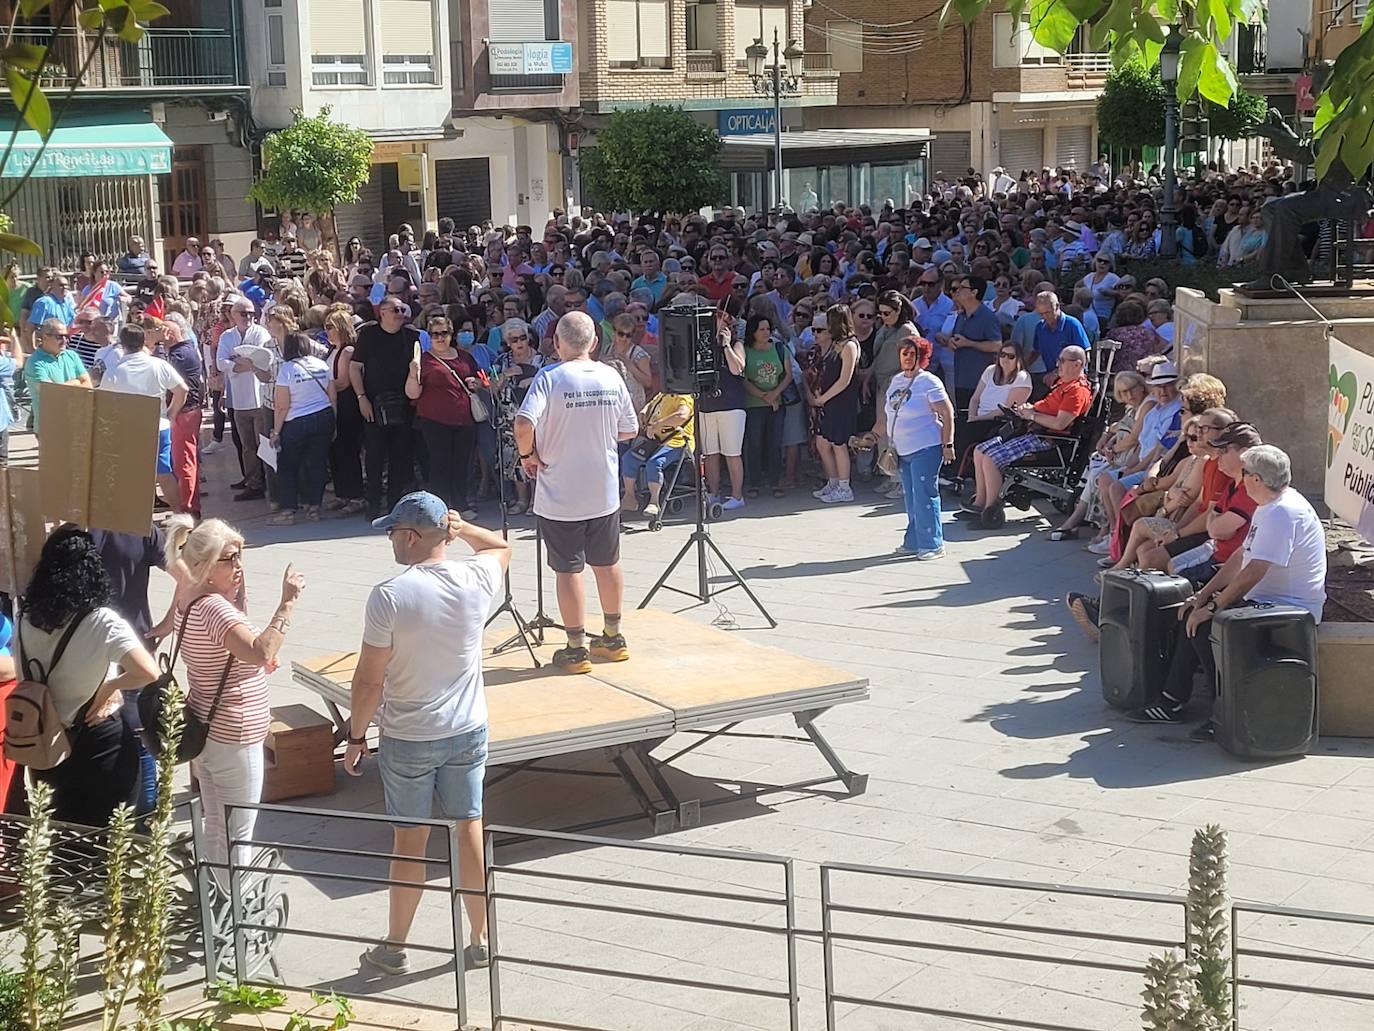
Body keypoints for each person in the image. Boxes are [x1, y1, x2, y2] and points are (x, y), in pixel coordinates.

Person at [345, 494, 510, 975]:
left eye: (393, 531)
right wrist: (464, 529)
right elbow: (501, 547)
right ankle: (481, 940)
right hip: (467, 728)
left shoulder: (390, 595)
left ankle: (395, 946)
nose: (390, 538)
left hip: (410, 735)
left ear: (412, 537)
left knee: (409, 842)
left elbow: (369, 679)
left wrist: (356, 737)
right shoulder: (475, 579)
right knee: (469, 828)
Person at [1129, 444, 1325, 737]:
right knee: (1191, 614)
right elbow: (1240, 557)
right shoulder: (1269, 504)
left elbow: (1254, 571)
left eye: (1244, 473)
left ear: (1256, 479)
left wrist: (1214, 606)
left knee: (1207, 626)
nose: (1240, 478)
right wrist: (1203, 595)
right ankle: (1172, 702)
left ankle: (1226, 711)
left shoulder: (1282, 513)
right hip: (1266, 599)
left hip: (1290, 609)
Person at [515, 310, 638, 673]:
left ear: (556, 343)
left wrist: (528, 455)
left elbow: (523, 422)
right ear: (595, 343)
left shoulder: (549, 377)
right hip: (602, 487)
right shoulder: (610, 374)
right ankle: (613, 636)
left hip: (560, 491)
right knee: (607, 562)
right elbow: (629, 429)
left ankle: (575, 647)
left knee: (568, 569)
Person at [16, 526, 158, 827]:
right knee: (109, 843)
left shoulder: (24, 618)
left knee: (62, 843)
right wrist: (111, 686)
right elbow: (148, 671)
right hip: (99, 742)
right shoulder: (102, 621)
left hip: (46, 745)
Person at [964, 345, 1093, 522]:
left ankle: (991, 507)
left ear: (1077, 364)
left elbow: (1060, 423)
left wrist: (1032, 415)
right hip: (1034, 430)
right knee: (979, 451)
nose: (1058, 364)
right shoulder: (1063, 384)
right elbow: (1046, 406)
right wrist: (1029, 408)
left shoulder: (1077, 391)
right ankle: (979, 502)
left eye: (1062, 361)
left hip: (1049, 439)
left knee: (991, 458)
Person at [876, 336, 955, 559]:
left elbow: (947, 412)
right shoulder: (896, 380)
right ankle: (913, 541)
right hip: (902, 450)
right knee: (911, 498)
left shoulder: (929, 381)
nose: (908, 357)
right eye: (905, 353)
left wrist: (948, 443)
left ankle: (933, 544)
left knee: (924, 495)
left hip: (926, 447)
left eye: (913, 354)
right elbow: (888, 413)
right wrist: (873, 436)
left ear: (922, 357)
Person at [100, 324, 189, 512]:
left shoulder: (114, 371)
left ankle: (138, 519)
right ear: (143, 343)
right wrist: (171, 414)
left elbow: (105, 405)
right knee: (164, 474)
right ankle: (179, 515)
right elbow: (182, 390)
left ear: (122, 345)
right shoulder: (158, 365)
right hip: (158, 425)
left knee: (133, 476)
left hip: (129, 429)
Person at [351, 298, 421, 519]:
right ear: (382, 312)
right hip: (373, 404)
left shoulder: (411, 336)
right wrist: (361, 397)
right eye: (395, 310)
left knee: (400, 457)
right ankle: (373, 504)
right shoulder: (368, 335)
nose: (400, 313)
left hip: (403, 405)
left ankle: (393, 505)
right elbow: (355, 368)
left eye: (403, 310)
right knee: (374, 457)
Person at [406, 314, 481, 518]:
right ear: (429, 336)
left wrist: (477, 383)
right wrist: (413, 372)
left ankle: (460, 505)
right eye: (435, 334)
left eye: (444, 333)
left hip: (464, 419)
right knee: (439, 464)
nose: (440, 338)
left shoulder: (465, 357)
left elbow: (481, 379)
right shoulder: (424, 360)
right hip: (434, 420)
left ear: (451, 334)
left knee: (462, 463)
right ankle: (438, 508)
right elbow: (412, 393)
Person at [270, 331, 337, 524]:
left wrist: (276, 431)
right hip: (323, 416)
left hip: (296, 421)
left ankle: (288, 511)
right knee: (316, 464)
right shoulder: (321, 364)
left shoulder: (287, 369)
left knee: (288, 466)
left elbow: (282, 405)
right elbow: (332, 396)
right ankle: (314, 508)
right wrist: (334, 420)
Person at [217, 298, 274, 502]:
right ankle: (253, 483)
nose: (248, 317)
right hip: (240, 400)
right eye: (243, 313)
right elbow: (221, 362)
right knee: (247, 445)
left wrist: (238, 362)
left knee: (264, 443)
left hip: (260, 398)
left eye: (251, 313)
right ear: (233, 315)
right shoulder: (227, 336)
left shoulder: (261, 333)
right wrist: (244, 365)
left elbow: (262, 359)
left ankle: (272, 482)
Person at [697, 305, 750, 511]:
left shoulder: (737, 345)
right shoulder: (704, 347)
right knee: (710, 453)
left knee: (732, 451)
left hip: (731, 404)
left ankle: (737, 495)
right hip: (708, 404)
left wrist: (726, 345)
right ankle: (713, 492)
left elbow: (738, 369)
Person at [808, 304, 861, 504]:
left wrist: (824, 398)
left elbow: (844, 379)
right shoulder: (835, 344)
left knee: (839, 445)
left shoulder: (849, 345)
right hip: (830, 400)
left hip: (841, 402)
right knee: (823, 442)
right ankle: (833, 481)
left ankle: (845, 487)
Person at [740, 312, 792, 499]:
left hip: (776, 403)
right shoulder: (746, 350)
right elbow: (743, 378)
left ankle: (775, 482)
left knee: (775, 443)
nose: (765, 332)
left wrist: (774, 394)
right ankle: (754, 482)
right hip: (754, 403)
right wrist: (763, 395)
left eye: (768, 329)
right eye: (761, 329)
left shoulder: (779, 348)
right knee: (754, 443)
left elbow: (787, 375)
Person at [621, 390, 694, 519]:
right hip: (655, 440)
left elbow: (682, 415)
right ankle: (630, 497)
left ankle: (654, 502)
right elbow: (651, 405)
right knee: (628, 458)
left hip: (677, 442)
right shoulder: (662, 394)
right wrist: (644, 413)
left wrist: (658, 425)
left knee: (654, 462)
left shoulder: (683, 396)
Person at [163, 313, 206, 518]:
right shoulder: (183, 351)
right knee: (184, 460)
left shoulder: (180, 355)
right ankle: (188, 503)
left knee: (184, 461)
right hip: (186, 411)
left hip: (184, 412)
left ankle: (189, 507)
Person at [23, 318, 91, 436]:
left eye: (66, 336)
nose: (65, 340)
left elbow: (88, 385)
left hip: (74, 422)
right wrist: (76, 382)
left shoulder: (72, 355)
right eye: (59, 336)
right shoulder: (35, 362)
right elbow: (52, 392)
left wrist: (64, 386)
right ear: (45, 337)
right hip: (49, 426)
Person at [1027, 291, 1091, 387]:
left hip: (1073, 382)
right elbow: (1035, 352)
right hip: (1051, 381)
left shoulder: (1073, 325)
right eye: (1041, 314)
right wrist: (1021, 368)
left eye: (1047, 312)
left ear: (1057, 306)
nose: (1044, 317)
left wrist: (1057, 373)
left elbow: (1085, 357)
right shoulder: (1040, 327)